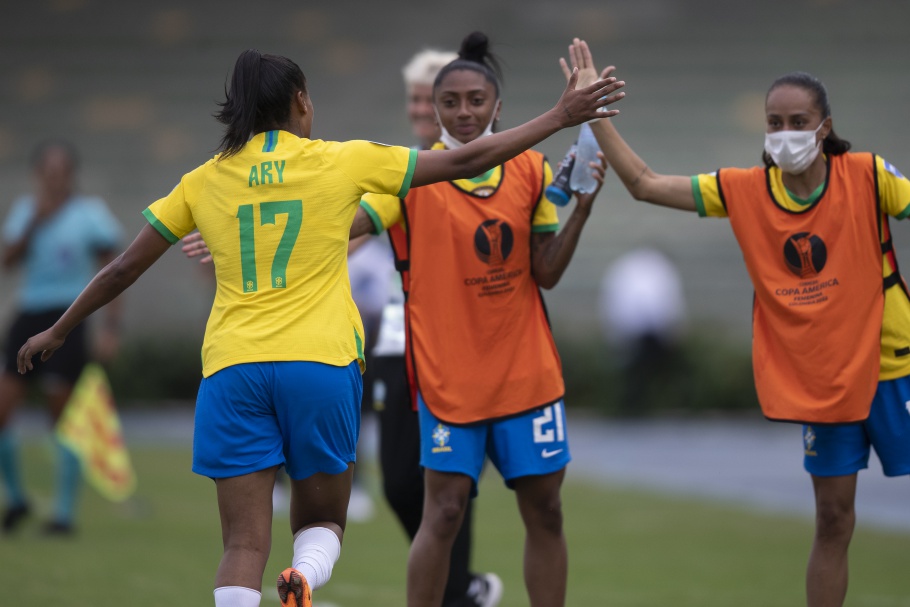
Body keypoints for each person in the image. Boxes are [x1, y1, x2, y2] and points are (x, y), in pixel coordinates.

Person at [16, 48, 622, 607]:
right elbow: (465, 158)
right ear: (301, 101)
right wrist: (559, 115)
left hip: (232, 370)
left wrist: (60, 330)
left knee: (241, 545)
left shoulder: (203, 180)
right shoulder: (342, 159)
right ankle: (303, 577)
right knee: (323, 522)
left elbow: (122, 268)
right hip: (320, 365)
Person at [563, 39, 910, 607]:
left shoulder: (869, 175)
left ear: (825, 127)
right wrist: (592, 114)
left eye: (799, 121)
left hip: (897, 365)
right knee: (832, 520)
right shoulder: (744, 191)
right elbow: (645, 184)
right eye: (775, 122)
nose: (786, 132)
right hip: (826, 384)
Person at [354, 32, 610, 607]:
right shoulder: (410, 177)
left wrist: (583, 211)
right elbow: (350, 228)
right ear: (435, 108)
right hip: (449, 383)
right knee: (441, 514)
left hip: (527, 376)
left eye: (475, 101)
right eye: (451, 102)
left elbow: (544, 271)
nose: (463, 112)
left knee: (545, 510)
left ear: (498, 107)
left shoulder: (532, 170)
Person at [374, 47, 502, 607]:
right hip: (395, 340)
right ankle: (463, 588)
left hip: (459, 345)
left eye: (435, 98)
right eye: (419, 98)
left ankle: (458, 589)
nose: (426, 108)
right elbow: (351, 227)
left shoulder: (484, 168)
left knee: (449, 487)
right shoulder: (401, 172)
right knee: (402, 484)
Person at [0, 140, 123, 536]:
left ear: (71, 174)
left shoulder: (90, 215)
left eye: (61, 171)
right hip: (28, 315)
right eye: (48, 172)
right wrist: (36, 221)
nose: (54, 178)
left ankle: (63, 515)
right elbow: (8, 261)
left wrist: (110, 328)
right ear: (39, 175)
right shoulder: (26, 212)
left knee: (62, 417)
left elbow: (115, 271)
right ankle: (17, 498)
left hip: (68, 317)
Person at [598, 246, 687, 415]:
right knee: (648, 370)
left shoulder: (627, 265)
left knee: (635, 372)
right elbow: (668, 304)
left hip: (628, 328)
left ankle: (633, 405)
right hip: (651, 329)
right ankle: (656, 402)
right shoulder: (662, 268)